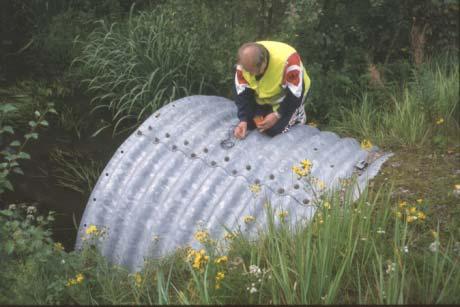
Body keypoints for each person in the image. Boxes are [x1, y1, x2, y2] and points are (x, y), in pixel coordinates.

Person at [233, 41, 311, 139]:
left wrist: (278, 114)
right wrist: (243, 120)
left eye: (254, 72)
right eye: (248, 72)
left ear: (264, 61)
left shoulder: (288, 61)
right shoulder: (243, 65)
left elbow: (295, 93)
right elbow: (242, 93)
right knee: (251, 124)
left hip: (292, 96)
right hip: (264, 97)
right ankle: (265, 110)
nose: (251, 75)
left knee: (273, 131)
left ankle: (298, 114)